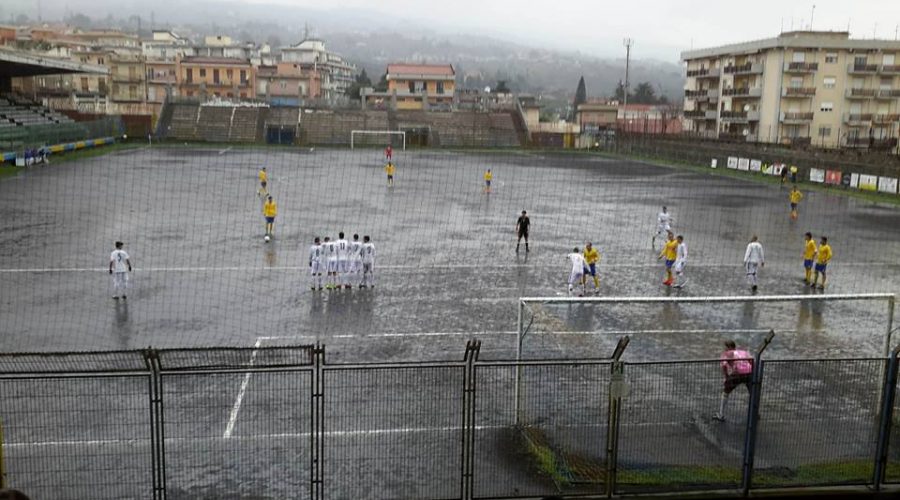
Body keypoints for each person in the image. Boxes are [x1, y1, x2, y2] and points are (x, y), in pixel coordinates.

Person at [713, 340, 754, 422]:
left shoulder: (726, 354)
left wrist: (727, 376)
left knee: (726, 392)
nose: (724, 349)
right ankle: (755, 412)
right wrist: (752, 371)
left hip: (737, 374)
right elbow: (752, 361)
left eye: (725, 347)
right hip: (749, 373)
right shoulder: (743, 352)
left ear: (729, 347)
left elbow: (724, 365)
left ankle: (721, 414)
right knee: (753, 393)